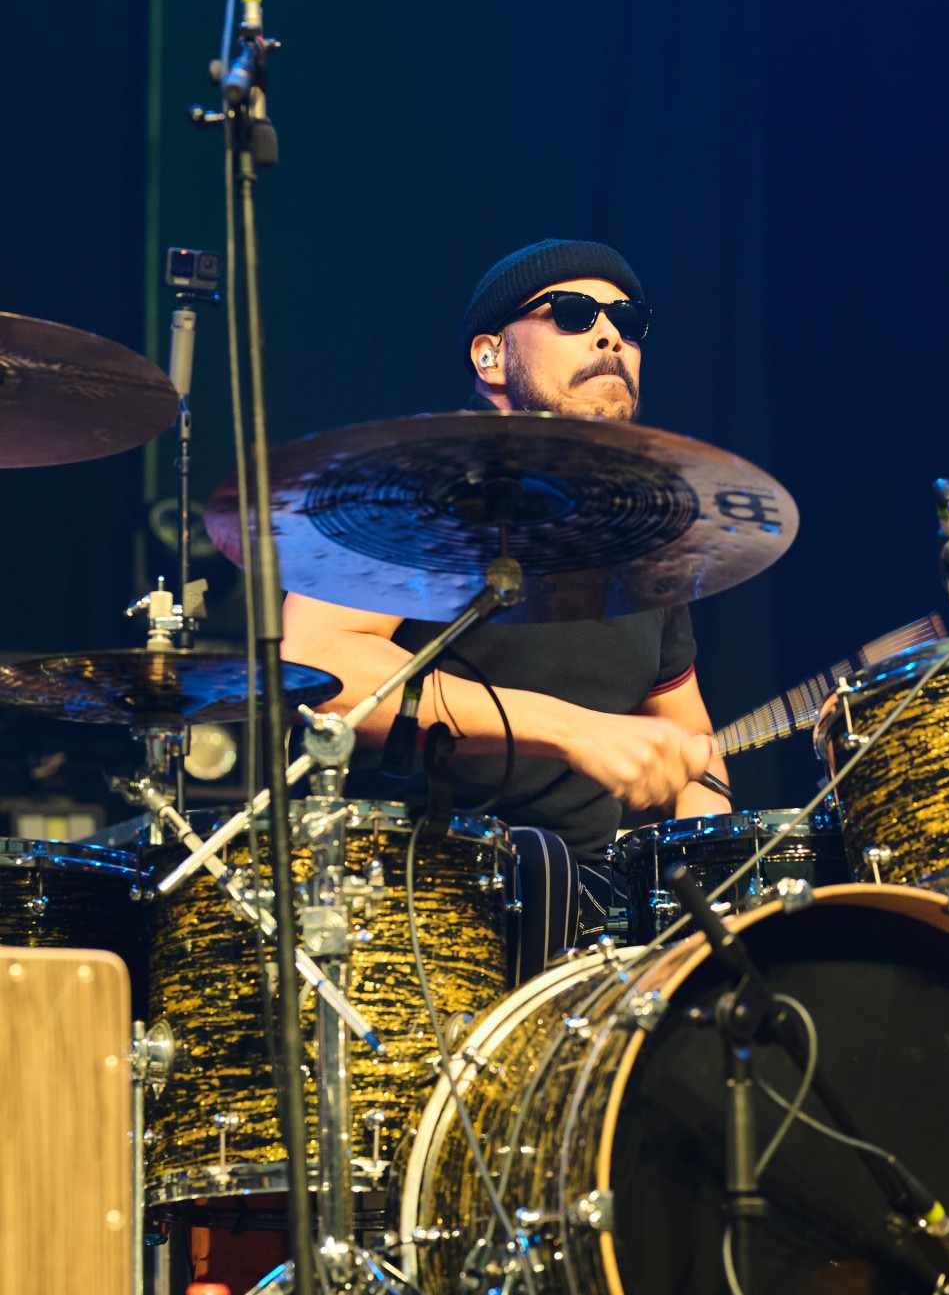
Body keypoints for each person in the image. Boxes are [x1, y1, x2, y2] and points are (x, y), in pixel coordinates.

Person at [281, 238, 730, 976]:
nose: (609, 335)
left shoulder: (644, 539)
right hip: (410, 893)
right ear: (490, 357)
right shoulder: (411, 489)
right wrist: (573, 731)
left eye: (628, 321)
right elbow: (320, 667)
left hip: (591, 915)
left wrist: (705, 867)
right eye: (573, 314)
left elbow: (692, 745)